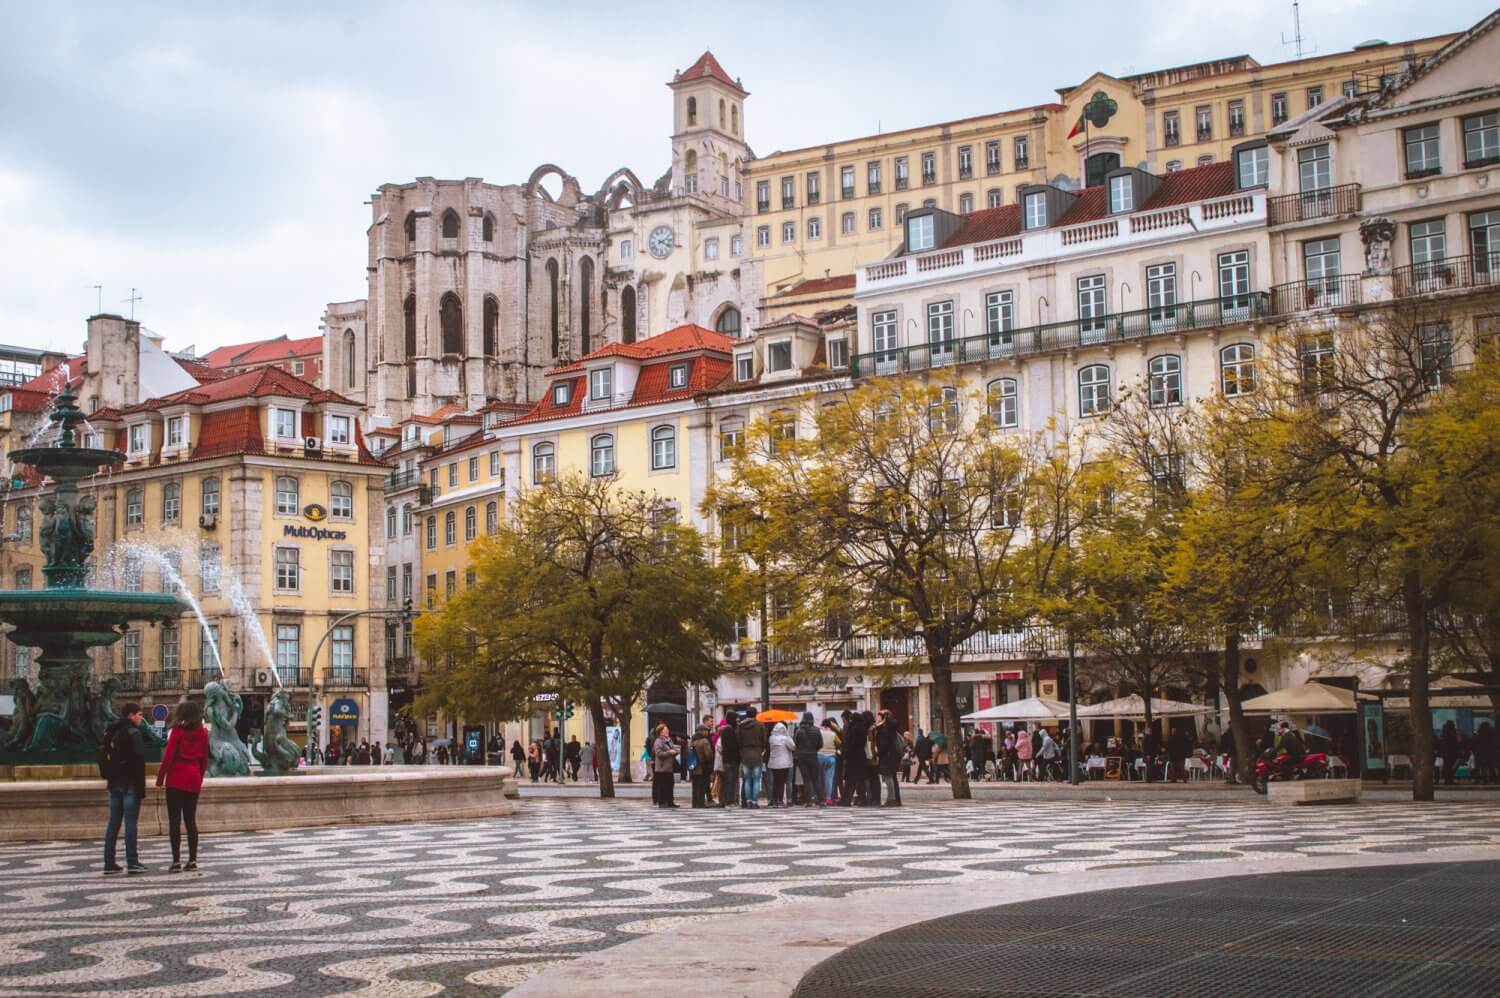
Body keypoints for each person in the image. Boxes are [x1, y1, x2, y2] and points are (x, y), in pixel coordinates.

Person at [155, 699, 209, 873]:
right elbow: (204, 760)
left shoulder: (177, 732)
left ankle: (176, 861)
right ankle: (192, 860)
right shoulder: (203, 733)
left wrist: (160, 779)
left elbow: (168, 757)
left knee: (174, 821)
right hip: (193, 777)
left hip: (176, 779)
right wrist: (199, 778)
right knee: (190, 820)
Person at [102, 702, 147, 875]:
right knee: (130, 823)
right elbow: (138, 762)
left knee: (113, 823)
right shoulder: (133, 733)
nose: (141, 718)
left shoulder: (112, 731)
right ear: (130, 715)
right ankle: (133, 862)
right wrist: (140, 788)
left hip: (114, 783)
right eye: (139, 714)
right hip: (130, 784)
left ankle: (109, 862)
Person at [736, 712, 766, 808]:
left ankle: (748, 801)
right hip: (757, 754)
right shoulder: (760, 725)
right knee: (757, 779)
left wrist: (741, 751)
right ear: (755, 715)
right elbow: (764, 740)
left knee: (747, 779)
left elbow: (738, 741)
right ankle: (754, 802)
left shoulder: (740, 726)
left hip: (745, 755)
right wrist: (761, 750)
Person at [874, 710, 904, 806]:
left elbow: (883, 744)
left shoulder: (885, 729)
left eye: (879, 716)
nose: (877, 719)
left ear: (884, 718)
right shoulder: (891, 727)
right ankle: (896, 799)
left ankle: (891, 799)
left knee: (888, 777)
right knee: (892, 777)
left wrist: (878, 753)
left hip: (887, 756)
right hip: (892, 756)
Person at [792, 712, 822, 807]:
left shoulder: (799, 731)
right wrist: (814, 750)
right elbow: (820, 744)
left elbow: (794, 743)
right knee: (815, 778)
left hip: (802, 757)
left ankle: (808, 801)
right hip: (813, 756)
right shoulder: (817, 730)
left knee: (806, 779)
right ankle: (821, 799)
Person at [837, 711, 866, 805]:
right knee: (860, 779)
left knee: (850, 780)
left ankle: (846, 800)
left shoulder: (852, 728)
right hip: (860, 757)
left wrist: (844, 753)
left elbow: (849, 743)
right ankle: (862, 799)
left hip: (851, 757)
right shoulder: (862, 728)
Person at [651, 723, 680, 808]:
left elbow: (673, 749)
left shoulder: (669, 740)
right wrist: (669, 752)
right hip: (662, 768)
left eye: (667, 729)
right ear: (661, 732)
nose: (667, 731)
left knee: (670, 785)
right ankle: (662, 802)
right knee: (662, 786)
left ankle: (670, 802)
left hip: (669, 767)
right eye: (665, 730)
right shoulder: (658, 741)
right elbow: (659, 753)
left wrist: (676, 751)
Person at [767, 721, 795, 807]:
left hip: (773, 763)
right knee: (781, 782)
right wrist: (789, 736)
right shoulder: (785, 738)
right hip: (784, 764)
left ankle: (775, 801)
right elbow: (793, 747)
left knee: (775, 782)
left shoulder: (771, 738)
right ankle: (780, 801)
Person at [717, 714, 740, 808]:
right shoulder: (730, 730)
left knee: (729, 781)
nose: (737, 722)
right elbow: (733, 746)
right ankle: (729, 802)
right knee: (731, 781)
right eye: (736, 720)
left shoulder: (726, 730)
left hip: (727, 760)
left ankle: (729, 801)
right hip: (732, 760)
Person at [690, 724, 714, 807]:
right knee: (702, 786)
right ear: (701, 731)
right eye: (706, 731)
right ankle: (700, 803)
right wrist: (711, 761)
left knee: (695, 786)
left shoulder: (692, 741)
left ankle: (695, 803)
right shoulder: (704, 741)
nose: (707, 732)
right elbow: (708, 755)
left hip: (693, 767)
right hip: (702, 767)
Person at [816, 718, 839, 805]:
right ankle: (828, 798)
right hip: (831, 757)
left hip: (820, 757)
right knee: (829, 779)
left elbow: (816, 743)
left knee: (820, 778)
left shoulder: (819, 733)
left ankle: (821, 798)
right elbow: (839, 743)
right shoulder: (833, 734)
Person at [1439, 720, 1462, 786]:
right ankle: (1450, 779)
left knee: (1447, 766)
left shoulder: (1444, 732)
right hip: (1452, 752)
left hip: (1446, 752)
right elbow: (1456, 742)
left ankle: (1447, 780)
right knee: (1451, 766)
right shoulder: (1452, 732)